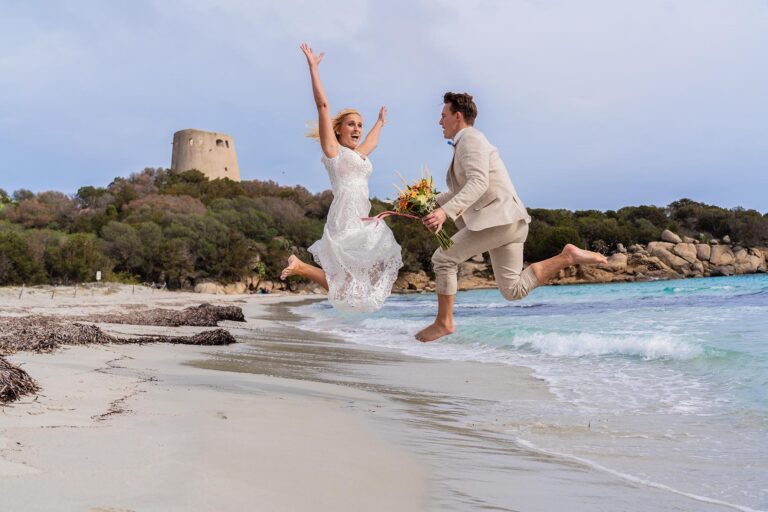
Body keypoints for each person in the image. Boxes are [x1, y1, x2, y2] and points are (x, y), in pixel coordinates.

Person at [416, 92, 607, 342]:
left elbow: (479, 183)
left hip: (497, 219)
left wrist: (444, 212)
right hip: (510, 221)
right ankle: (567, 256)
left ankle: (444, 322)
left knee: (443, 258)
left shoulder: (470, 140)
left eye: (443, 116)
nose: (439, 122)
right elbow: (459, 191)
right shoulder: (468, 142)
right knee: (513, 290)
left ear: (457, 116)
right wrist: (423, 203)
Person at [280, 43, 402, 312]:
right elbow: (323, 105)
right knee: (348, 285)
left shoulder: (359, 156)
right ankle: (301, 267)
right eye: (351, 124)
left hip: (362, 218)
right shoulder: (334, 152)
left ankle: (301, 267)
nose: (357, 128)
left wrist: (380, 122)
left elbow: (372, 143)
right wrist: (313, 68)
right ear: (337, 130)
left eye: (359, 124)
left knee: (355, 288)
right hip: (345, 218)